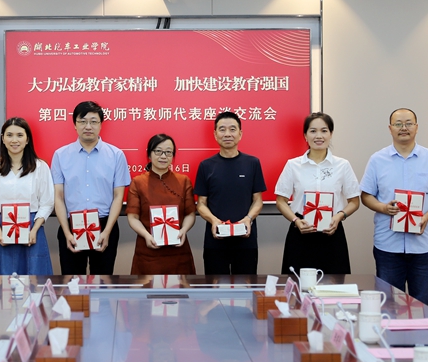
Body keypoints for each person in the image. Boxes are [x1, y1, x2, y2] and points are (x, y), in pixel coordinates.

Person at [360, 108, 428, 309]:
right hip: (388, 245)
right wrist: (383, 208)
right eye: (398, 124)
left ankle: (424, 332)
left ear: (416, 127)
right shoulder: (377, 159)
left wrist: (427, 215)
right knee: (388, 305)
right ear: (390, 128)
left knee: (424, 304)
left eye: (408, 123)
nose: (404, 128)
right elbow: (366, 196)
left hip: (423, 246)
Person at [274, 112, 360, 275]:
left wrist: (339, 217)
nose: (318, 136)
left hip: (332, 231)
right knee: (298, 283)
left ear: (331, 134)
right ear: (305, 136)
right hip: (301, 231)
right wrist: (296, 221)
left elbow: (355, 201)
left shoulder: (342, 165)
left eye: (324, 130)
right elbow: (281, 201)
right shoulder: (293, 165)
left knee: (334, 284)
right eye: (313, 131)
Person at [51, 101, 131, 275]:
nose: (88, 126)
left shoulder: (116, 155)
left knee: (103, 282)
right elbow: (58, 197)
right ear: (75, 124)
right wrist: (67, 233)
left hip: (105, 225)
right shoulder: (60, 155)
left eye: (93, 121)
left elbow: (118, 196)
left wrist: (107, 232)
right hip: (71, 226)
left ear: (101, 124)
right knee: (72, 283)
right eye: (83, 121)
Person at [0, 117, 54, 275]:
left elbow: (47, 203)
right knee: (1, 282)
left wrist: (34, 229)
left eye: (20, 135)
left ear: (27, 139)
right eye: (9, 135)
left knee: (34, 280)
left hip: (32, 228)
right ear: (3, 139)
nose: (14, 140)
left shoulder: (41, 167)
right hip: (1, 230)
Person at [194, 111, 266, 275]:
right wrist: (213, 220)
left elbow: (258, 200)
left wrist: (248, 219)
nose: (227, 134)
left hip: (246, 239)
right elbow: (201, 204)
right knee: (215, 287)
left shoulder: (252, 163)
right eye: (222, 129)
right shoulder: (206, 166)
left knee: (246, 287)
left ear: (240, 134)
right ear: (215, 134)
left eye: (232, 129)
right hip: (215, 240)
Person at [126, 134, 197, 274]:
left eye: (168, 152)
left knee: (179, 288)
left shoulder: (183, 181)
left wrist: (183, 231)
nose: (163, 156)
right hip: (148, 250)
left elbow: (190, 214)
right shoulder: (138, 182)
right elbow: (133, 217)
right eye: (158, 151)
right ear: (149, 154)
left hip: (178, 250)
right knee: (148, 287)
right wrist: (146, 236)